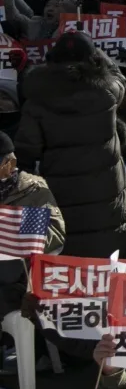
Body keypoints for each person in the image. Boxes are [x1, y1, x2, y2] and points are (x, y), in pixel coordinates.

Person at [14, 32, 126, 258]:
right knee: (111, 265)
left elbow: (26, 153)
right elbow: (119, 78)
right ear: (92, 59)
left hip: (60, 196)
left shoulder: (36, 99)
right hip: (109, 199)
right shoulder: (106, 91)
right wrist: (98, 53)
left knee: (69, 266)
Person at [0, 129, 64, 315]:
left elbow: (55, 234)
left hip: (22, 278)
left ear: (9, 163)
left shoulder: (32, 190)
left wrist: (14, 231)